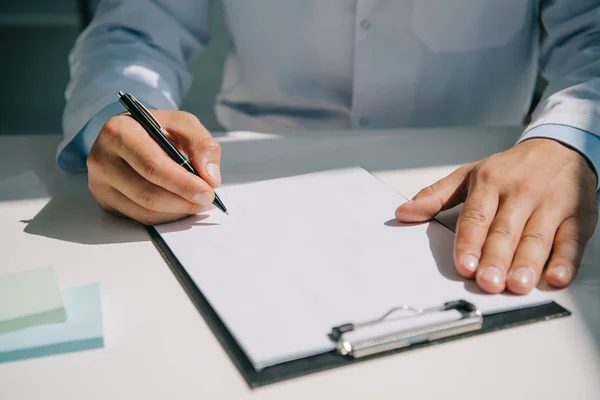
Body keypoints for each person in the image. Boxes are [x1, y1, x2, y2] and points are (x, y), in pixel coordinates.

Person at [59, 1, 600, 295]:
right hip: (248, 173)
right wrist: (117, 116)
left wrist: (570, 139)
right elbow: (135, 29)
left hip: (482, 181)